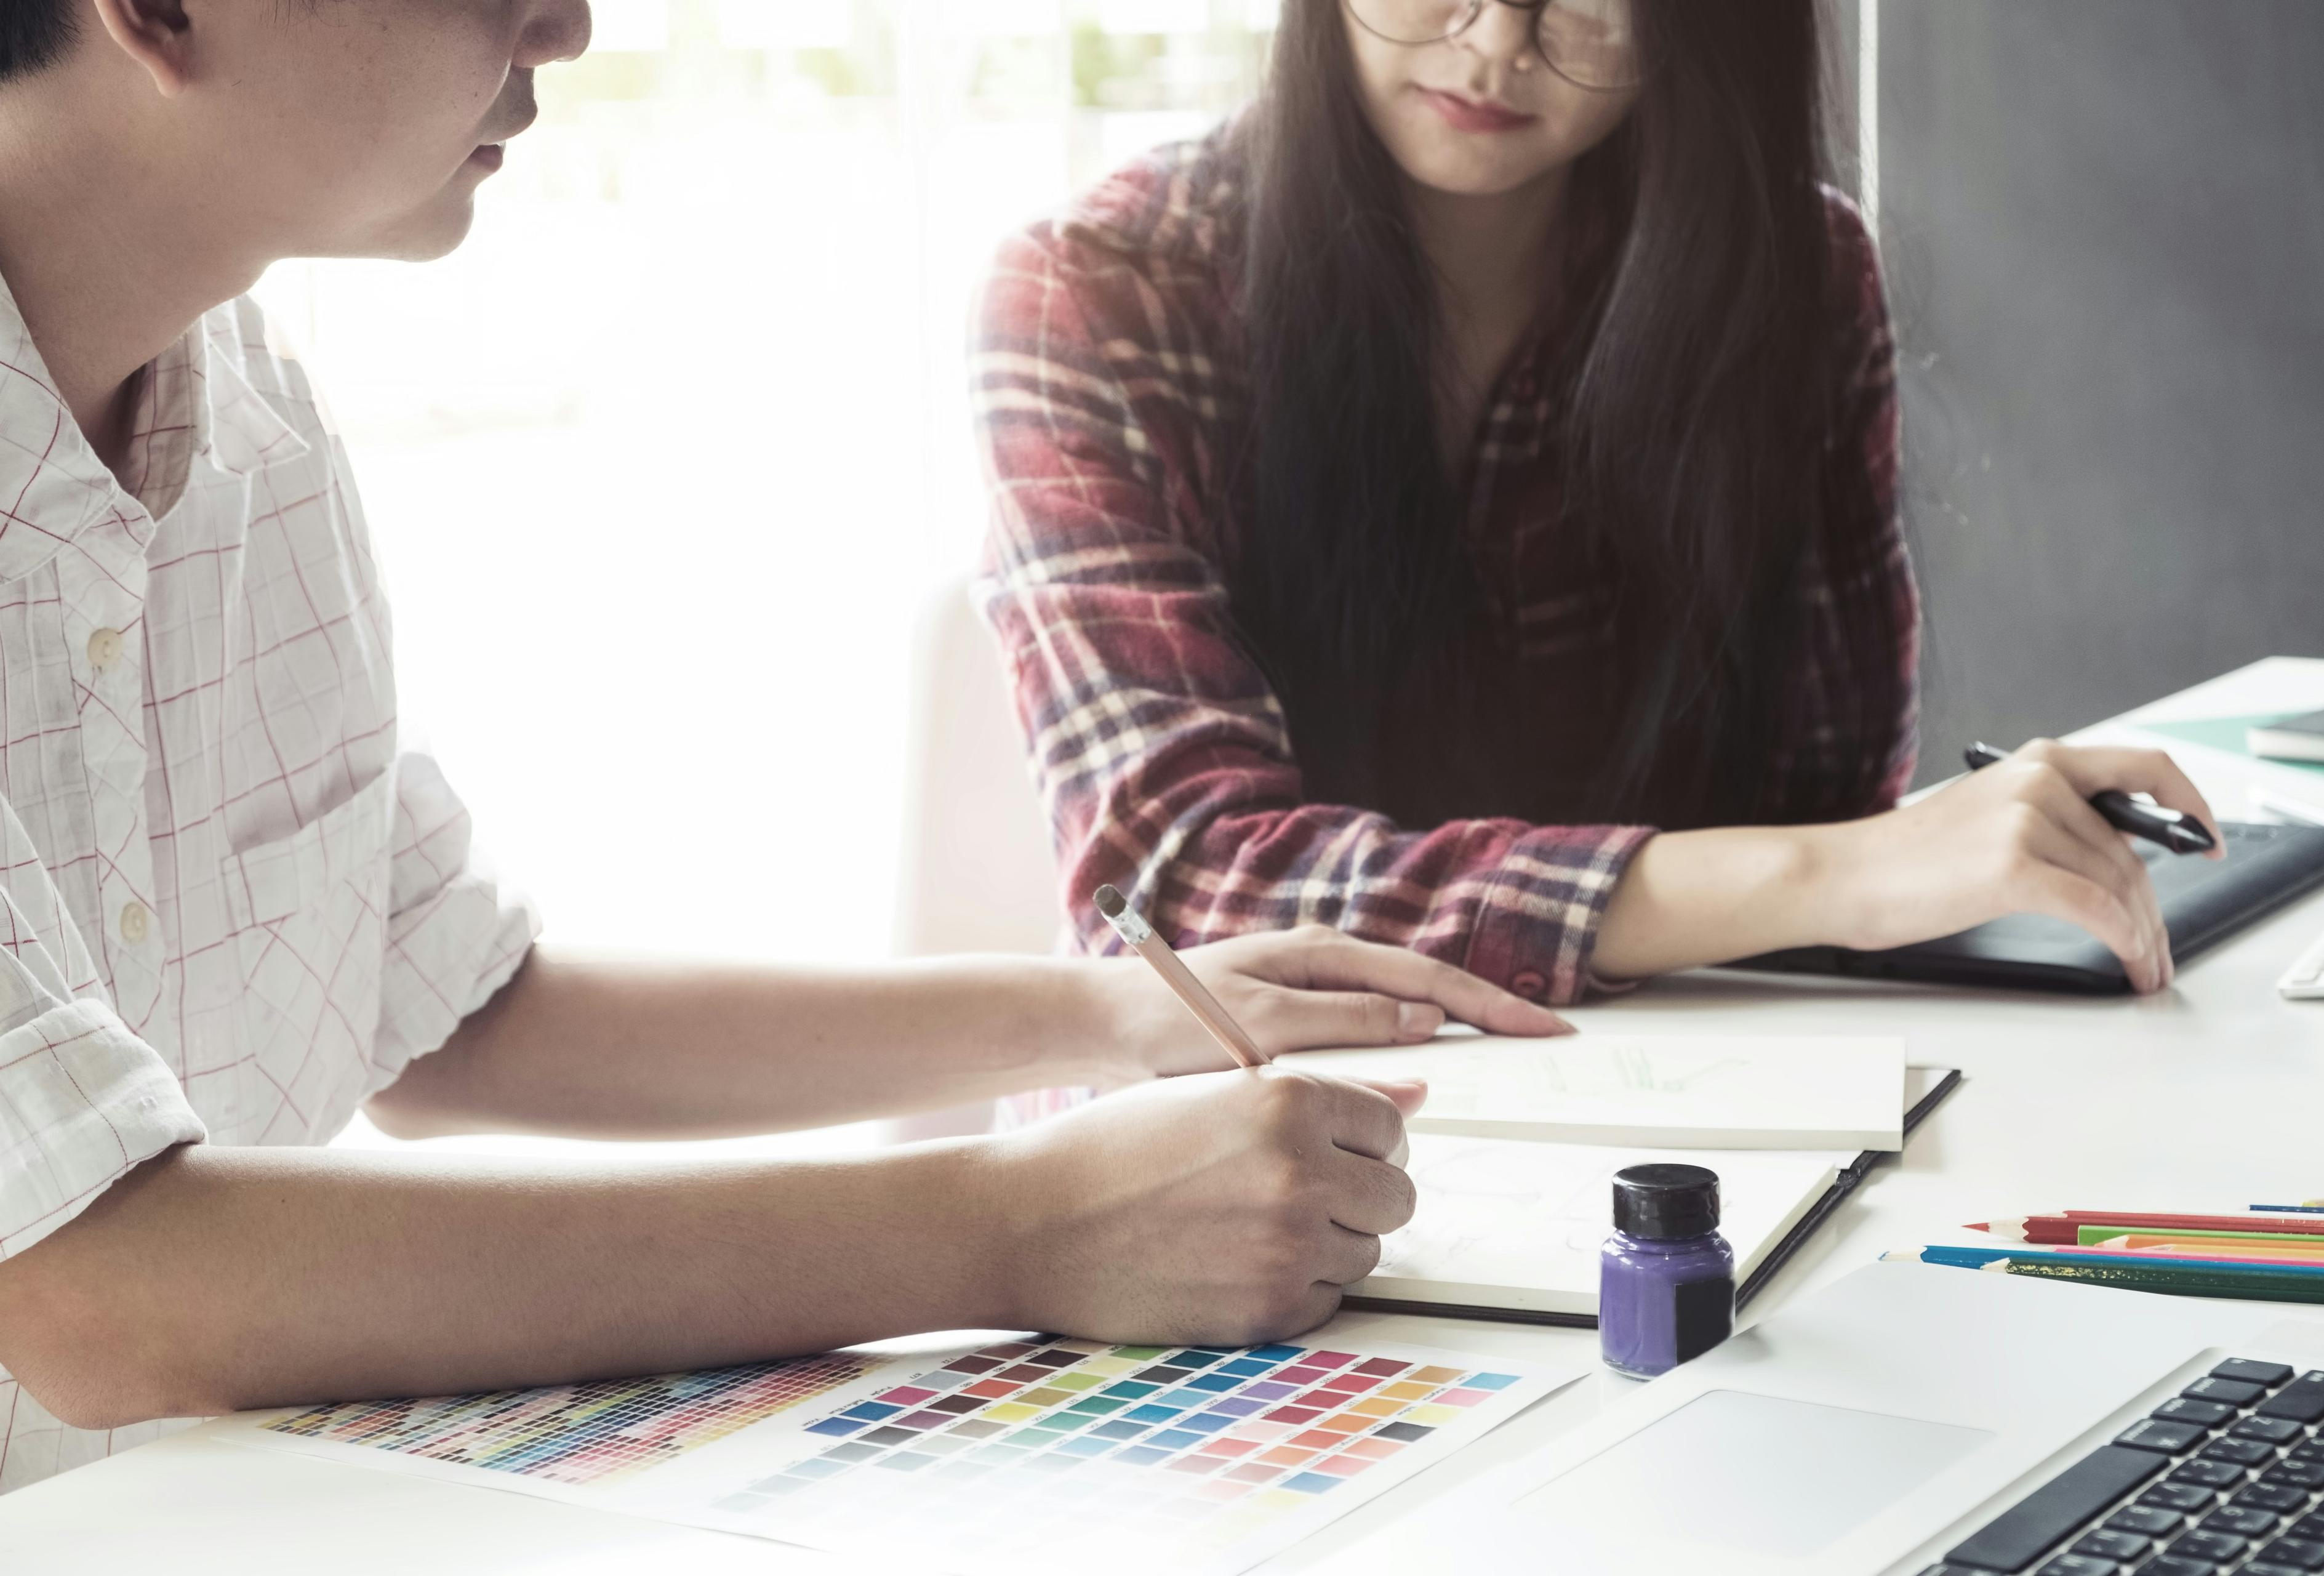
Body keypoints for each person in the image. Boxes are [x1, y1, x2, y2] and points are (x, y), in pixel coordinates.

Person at [0, 0, 1574, 1494]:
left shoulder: (252, 420)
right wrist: (1023, 1221)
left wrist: (1109, 1017)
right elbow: (92, 1285)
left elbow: (447, 1012)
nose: (568, 27)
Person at [972, 0, 2224, 1032]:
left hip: (1679, 1088)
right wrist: (1833, 873)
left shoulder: (1794, 280)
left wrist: (1935, 854)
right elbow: (1187, 892)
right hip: (1233, 1144)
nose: (1500, 38)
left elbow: (1818, 796)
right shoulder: (1101, 293)